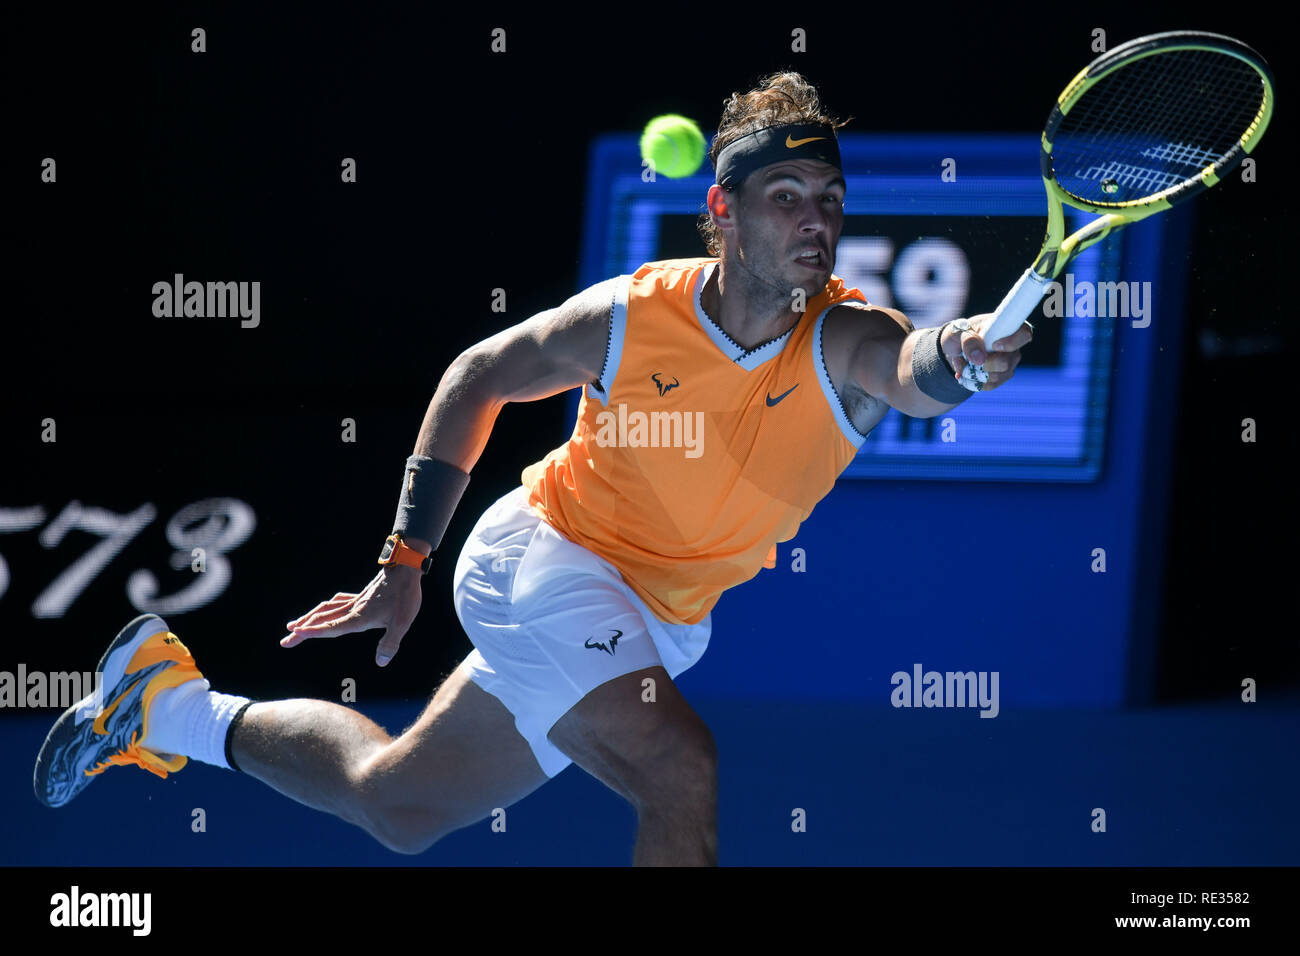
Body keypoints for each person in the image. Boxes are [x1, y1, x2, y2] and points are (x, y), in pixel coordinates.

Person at [34, 72, 1030, 866]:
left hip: (656, 618)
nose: (815, 219)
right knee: (679, 770)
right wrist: (404, 556)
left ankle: (163, 702)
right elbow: (477, 376)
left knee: (400, 803)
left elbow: (911, 368)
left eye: (829, 199)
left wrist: (963, 354)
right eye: (785, 197)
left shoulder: (847, 332)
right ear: (721, 209)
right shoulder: (630, 317)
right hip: (544, 559)